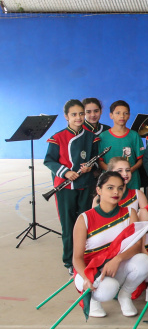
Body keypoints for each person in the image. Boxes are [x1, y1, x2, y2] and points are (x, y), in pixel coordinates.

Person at [72, 172, 148, 318]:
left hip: (115, 266)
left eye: (120, 188)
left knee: (143, 261)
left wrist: (117, 260)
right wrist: (86, 277)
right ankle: (92, 301)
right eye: (110, 188)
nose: (116, 192)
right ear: (99, 190)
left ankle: (125, 296)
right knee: (108, 289)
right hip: (91, 270)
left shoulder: (130, 213)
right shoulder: (84, 218)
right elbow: (77, 258)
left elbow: (136, 246)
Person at [45, 99, 100, 272]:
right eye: (74, 114)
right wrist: (66, 172)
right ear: (66, 116)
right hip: (65, 188)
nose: (78, 118)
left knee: (85, 223)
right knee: (68, 225)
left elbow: (97, 160)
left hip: (86, 185)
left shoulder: (91, 137)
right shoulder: (57, 137)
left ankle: (85, 256)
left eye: (81, 114)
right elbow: (49, 161)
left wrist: (91, 167)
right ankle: (69, 261)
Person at [98, 100, 144, 190]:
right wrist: (112, 172)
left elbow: (140, 160)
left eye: (125, 113)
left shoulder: (134, 135)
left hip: (131, 181)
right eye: (118, 113)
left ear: (129, 115)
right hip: (110, 179)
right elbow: (100, 161)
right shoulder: (103, 136)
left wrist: (128, 171)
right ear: (111, 115)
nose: (122, 116)